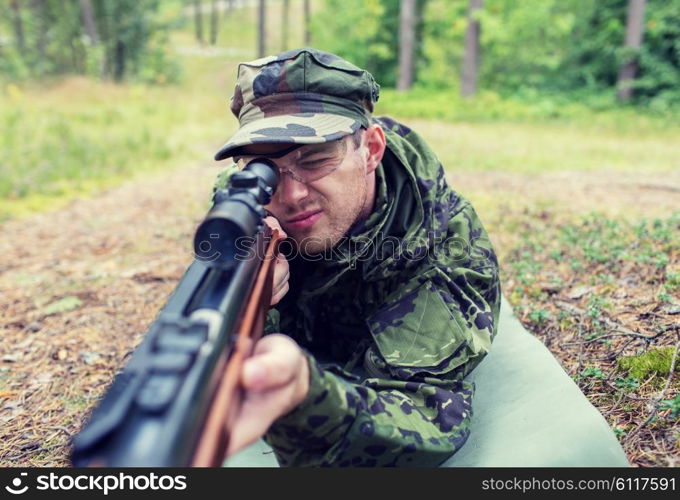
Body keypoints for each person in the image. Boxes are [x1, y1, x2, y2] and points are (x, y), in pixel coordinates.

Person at [211, 48, 501, 467]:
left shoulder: (444, 255)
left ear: (371, 149)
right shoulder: (252, 202)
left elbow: (422, 413)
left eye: (314, 160)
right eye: (265, 171)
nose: (290, 196)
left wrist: (304, 398)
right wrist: (252, 297)